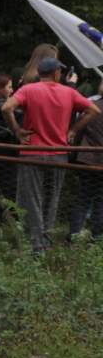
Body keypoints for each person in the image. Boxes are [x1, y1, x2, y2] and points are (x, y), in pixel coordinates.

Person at [4, 57, 99, 254]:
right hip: (58, 154)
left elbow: (6, 108)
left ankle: (36, 245)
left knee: (32, 199)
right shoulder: (69, 92)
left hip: (32, 153)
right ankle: (45, 242)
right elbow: (93, 110)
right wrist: (73, 130)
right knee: (52, 199)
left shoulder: (28, 90)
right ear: (56, 73)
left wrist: (17, 130)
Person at [69, 82, 103, 242]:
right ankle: (97, 238)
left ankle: (74, 235)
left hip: (87, 159)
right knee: (101, 200)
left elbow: (79, 131)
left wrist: (74, 156)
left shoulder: (92, 107)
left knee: (83, 197)